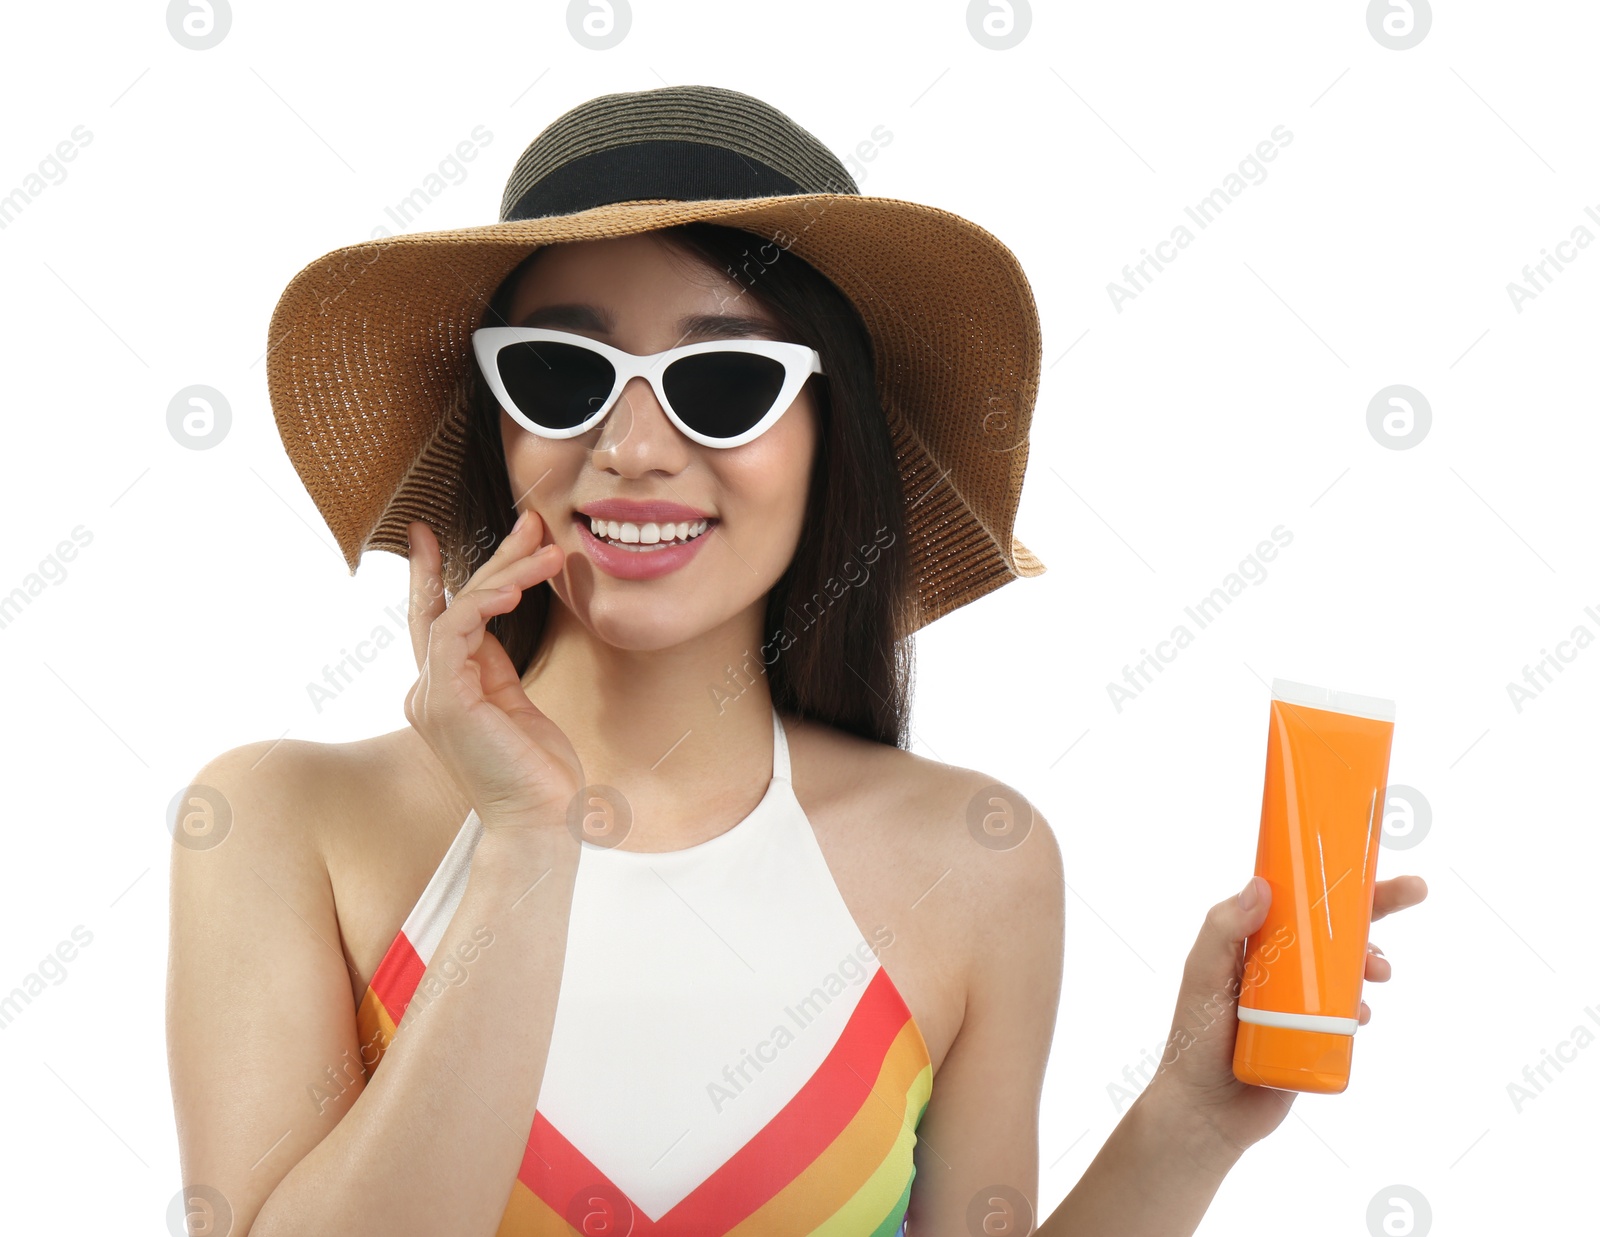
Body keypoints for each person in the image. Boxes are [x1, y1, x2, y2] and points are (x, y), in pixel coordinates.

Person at [166, 85, 1427, 1236]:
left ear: (832, 437)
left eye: (723, 382)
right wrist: (526, 839)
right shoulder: (281, 822)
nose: (634, 446)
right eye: (561, 373)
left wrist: (1190, 1124)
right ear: (499, 424)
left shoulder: (976, 861)